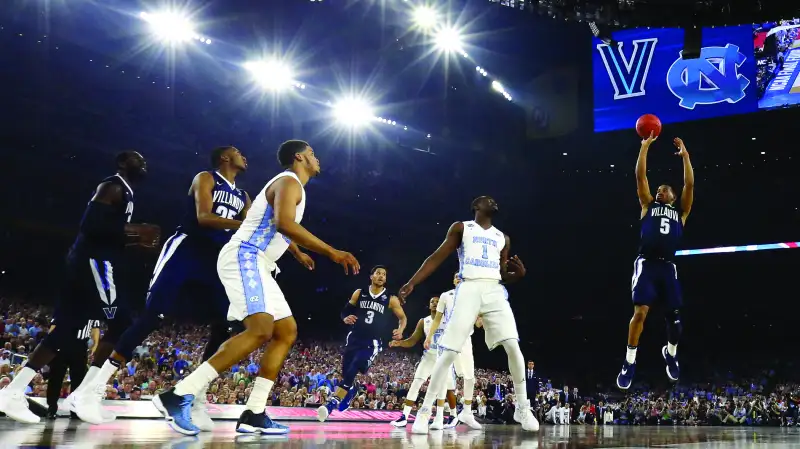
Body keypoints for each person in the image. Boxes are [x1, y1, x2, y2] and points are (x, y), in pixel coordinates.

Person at [154, 140, 359, 436]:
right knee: (260, 328)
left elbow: (277, 227)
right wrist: (331, 251)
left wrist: (298, 253)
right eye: (313, 153)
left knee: (286, 331)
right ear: (299, 157)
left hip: (259, 262)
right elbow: (284, 223)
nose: (318, 158)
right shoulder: (289, 181)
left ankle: (255, 412)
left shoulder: (293, 186)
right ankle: (178, 395)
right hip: (245, 255)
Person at [0, 151, 158, 424]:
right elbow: (91, 225)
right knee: (122, 322)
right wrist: (134, 231)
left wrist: (132, 238)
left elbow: (106, 232)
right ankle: (84, 394)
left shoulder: (125, 190)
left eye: (144, 160)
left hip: (85, 261)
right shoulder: (114, 185)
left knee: (66, 329)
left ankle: (12, 392)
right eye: (136, 159)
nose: (143, 163)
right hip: (94, 262)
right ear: (122, 163)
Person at [398, 196, 538, 434]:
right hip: (469, 287)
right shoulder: (462, 227)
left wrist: (518, 276)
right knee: (449, 351)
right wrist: (412, 283)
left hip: (494, 289)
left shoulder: (502, 238)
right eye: (487, 200)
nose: (494, 201)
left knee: (514, 346)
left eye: (495, 200)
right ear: (476, 206)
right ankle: (425, 411)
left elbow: (502, 273)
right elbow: (436, 257)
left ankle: (523, 406)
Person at [616, 135, 694, 390]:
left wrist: (685, 157)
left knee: (676, 320)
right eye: (658, 189)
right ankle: (629, 362)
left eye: (664, 189)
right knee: (640, 313)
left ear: (672, 195)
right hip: (647, 264)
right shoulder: (648, 206)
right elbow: (640, 177)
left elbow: (690, 185)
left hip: (667, 266)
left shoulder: (681, 212)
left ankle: (670, 353)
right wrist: (644, 147)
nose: (660, 191)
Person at [317, 265, 406, 422]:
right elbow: (345, 310)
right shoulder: (359, 293)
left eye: (384, 274)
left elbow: (403, 318)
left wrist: (400, 330)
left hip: (372, 342)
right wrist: (345, 318)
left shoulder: (391, 299)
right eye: (378, 273)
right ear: (371, 276)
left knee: (355, 366)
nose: (381, 276)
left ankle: (332, 403)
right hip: (354, 338)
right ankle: (351, 391)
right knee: (346, 373)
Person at [423, 273, 482, 430]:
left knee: (470, 378)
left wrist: (480, 320)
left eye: (461, 276)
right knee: (441, 376)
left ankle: (467, 413)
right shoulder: (445, 296)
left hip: (466, 339)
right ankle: (429, 413)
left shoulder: (473, 296)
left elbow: (478, 318)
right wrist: (428, 337)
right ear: (453, 280)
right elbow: (437, 319)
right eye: (456, 276)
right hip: (448, 338)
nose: (458, 278)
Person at [388, 296, 457, 429]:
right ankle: (404, 417)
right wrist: (400, 343)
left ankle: (442, 417)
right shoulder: (423, 321)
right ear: (429, 305)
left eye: (438, 302)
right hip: (429, 357)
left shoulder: (449, 319)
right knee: (416, 383)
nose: (435, 304)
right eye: (432, 301)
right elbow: (413, 340)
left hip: (443, 358)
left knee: (444, 389)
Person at [45, 318, 100, 419]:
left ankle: (74, 410)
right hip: (62, 345)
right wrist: (50, 345)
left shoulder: (93, 310)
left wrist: (95, 346)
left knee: (78, 381)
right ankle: (51, 408)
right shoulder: (66, 307)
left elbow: (95, 329)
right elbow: (53, 327)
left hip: (80, 346)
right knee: (55, 378)